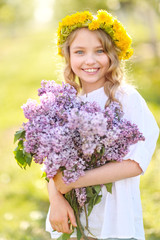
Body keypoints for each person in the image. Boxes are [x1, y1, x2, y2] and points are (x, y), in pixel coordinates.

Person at [45, 10, 159, 240]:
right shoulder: (65, 102)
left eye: (100, 51)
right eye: (80, 52)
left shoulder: (126, 99)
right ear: (68, 56)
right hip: (75, 218)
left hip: (116, 221)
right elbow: (51, 161)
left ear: (113, 55)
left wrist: (73, 181)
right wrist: (55, 198)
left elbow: (135, 163)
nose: (90, 60)